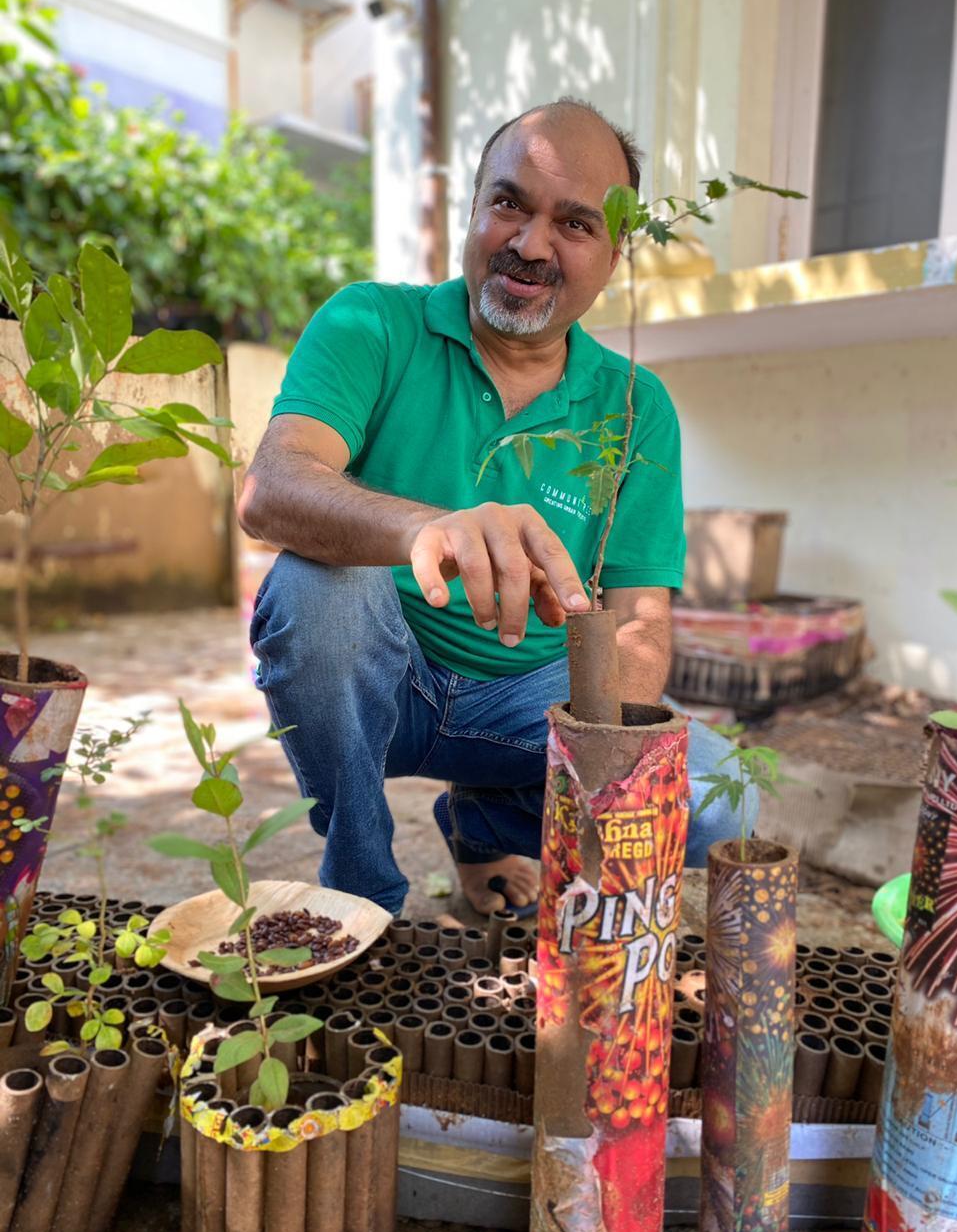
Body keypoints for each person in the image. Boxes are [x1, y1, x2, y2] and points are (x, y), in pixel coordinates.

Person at [238, 97, 757, 918]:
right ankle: (361, 888)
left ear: (616, 255)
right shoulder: (372, 321)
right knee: (316, 591)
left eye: (576, 223)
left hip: (531, 705)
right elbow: (271, 490)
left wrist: (596, 755)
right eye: (509, 202)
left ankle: (483, 819)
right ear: (473, 208)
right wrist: (424, 528)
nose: (530, 244)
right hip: (380, 685)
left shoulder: (635, 406)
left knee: (719, 799)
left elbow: (642, 618)